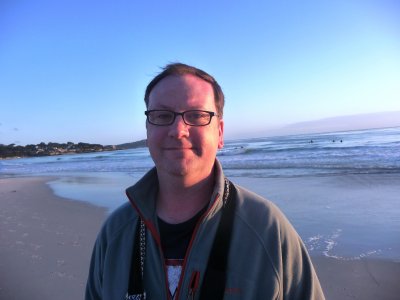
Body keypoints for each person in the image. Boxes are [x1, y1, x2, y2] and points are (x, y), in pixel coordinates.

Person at [85, 63, 325, 300]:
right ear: (148, 129)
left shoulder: (267, 228)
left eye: (197, 115)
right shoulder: (116, 233)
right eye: (162, 115)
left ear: (219, 133)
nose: (178, 130)